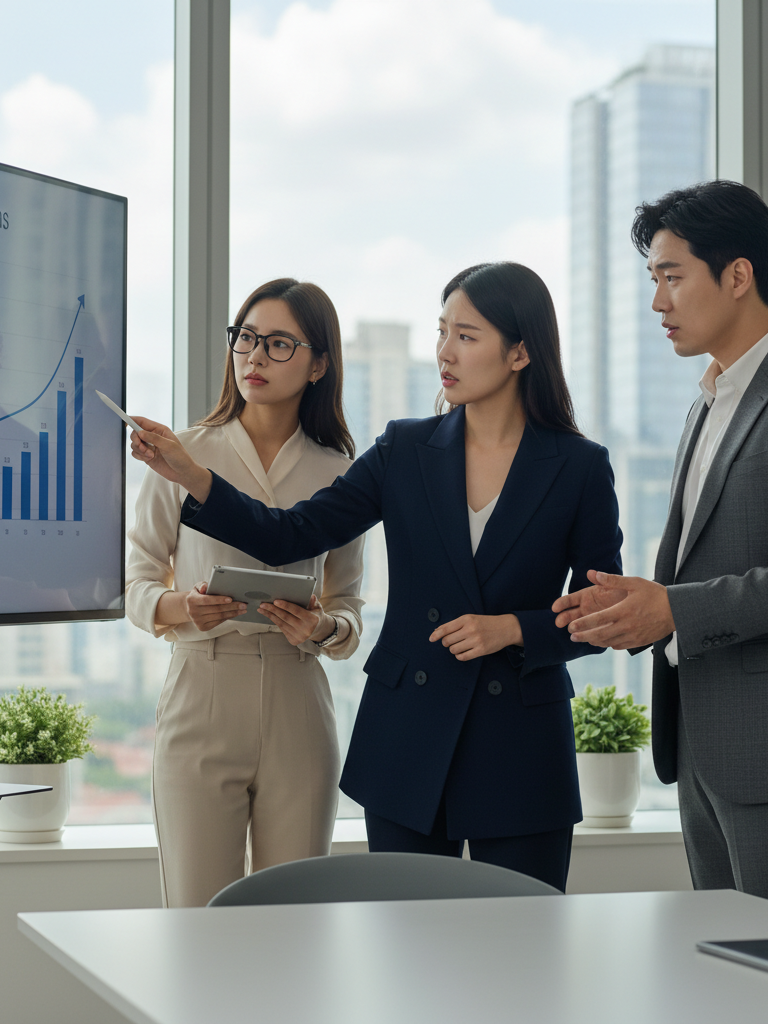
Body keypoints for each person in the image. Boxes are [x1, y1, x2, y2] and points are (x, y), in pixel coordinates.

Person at [129, 262, 623, 891]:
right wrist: (191, 474)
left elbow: (602, 612)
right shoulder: (404, 450)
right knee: (406, 959)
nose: (445, 352)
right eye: (442, 332)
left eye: (466, 336)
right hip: (407, 741)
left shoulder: (579, 466)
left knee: (523, 956)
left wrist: (514, 629)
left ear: (521, 351)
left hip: (521, 747)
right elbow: (289, 536)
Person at [552, 180, 768, 919]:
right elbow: (711, 560)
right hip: (706, 744)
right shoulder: (709, 399)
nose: (657, 303)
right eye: (653, 280)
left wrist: (673, 609)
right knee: (732, 978)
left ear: (738, 276)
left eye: (672, 277)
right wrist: (637, 606)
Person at [125, 278, 365, 906]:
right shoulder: (182, 454)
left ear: (319, 364)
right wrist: (183, 607)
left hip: (298, 696)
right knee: (198, 915)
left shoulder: (339, 472)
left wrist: (321, 629)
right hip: (202, 686)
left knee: (296, 919)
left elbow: (349, 610)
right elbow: (135, 579)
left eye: (279, 343)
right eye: (246, 338)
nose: (254, 356)